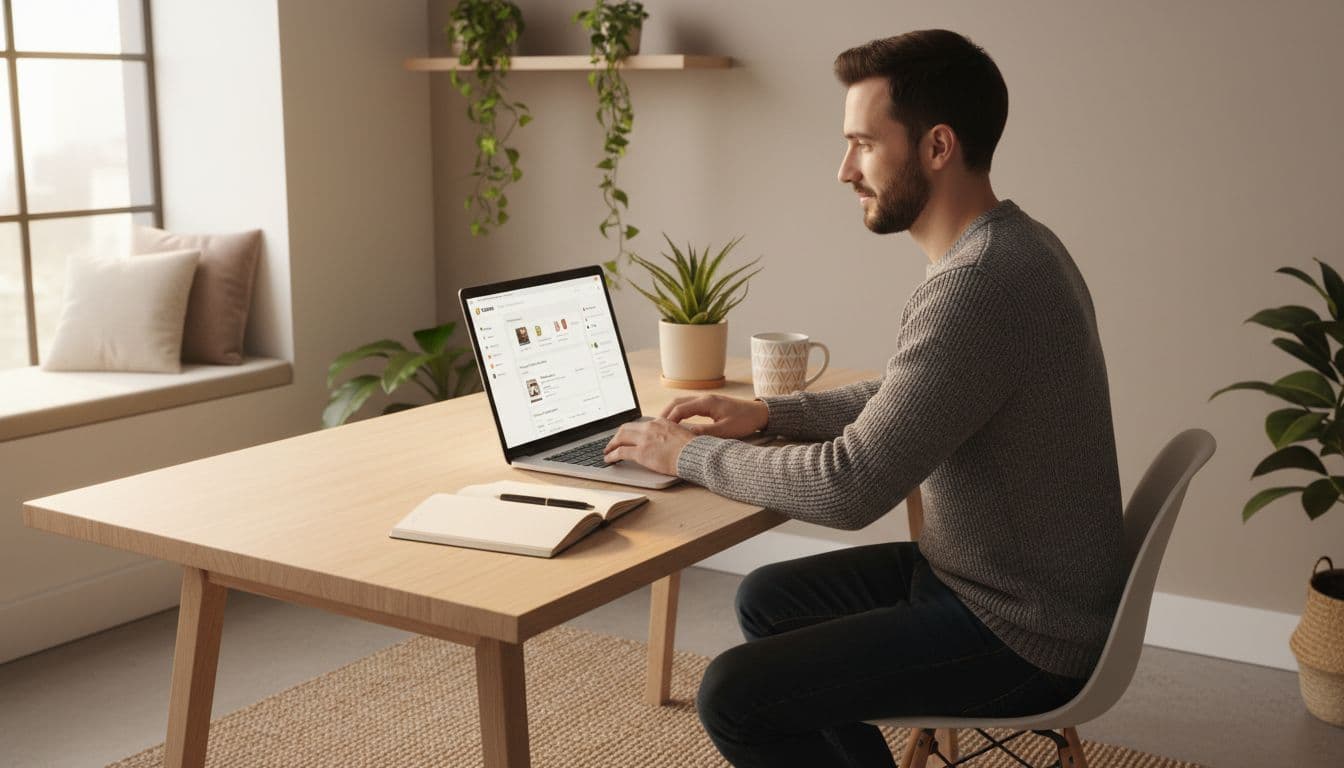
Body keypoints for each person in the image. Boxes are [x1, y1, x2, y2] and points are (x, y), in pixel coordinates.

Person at [602, 29, 1125, 767]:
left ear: (937, 147)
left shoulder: (978, 285)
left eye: (863, 144)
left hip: (1019, 628)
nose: (844, 169)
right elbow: (913, 394)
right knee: (766, 600)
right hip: (1000, 581)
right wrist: (769, 415)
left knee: (733, 694)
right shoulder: (1013, 246)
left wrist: (688, 454)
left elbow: (848, 488)